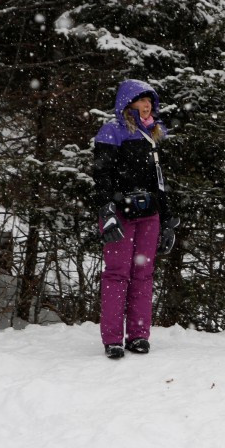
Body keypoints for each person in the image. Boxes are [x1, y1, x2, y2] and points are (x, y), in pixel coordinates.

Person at [92, 79, 179, 359]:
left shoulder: (152, 135)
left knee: (143, 275)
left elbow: (159, 182)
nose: (147, 105)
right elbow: (101, 176)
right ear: (127, 103)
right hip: (120, 213)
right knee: (117, 275)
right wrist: (106, 210)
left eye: (150, 101)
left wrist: (166, 220)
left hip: (149, 214)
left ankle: (139, 335)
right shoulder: (112, 132)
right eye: (142, 100)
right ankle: (113, 339)